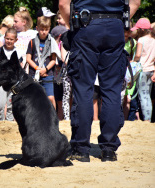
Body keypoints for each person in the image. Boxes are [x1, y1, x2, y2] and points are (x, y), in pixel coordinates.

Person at [59, 0, 141, 162]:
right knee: (111, 91)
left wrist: (75, 24)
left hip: (85, 26)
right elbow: (136, 2)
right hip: (114, 28)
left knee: (83, 91)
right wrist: (116, 19)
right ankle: (109, 149)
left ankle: (81, 148)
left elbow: (63, 4)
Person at [26, 16, 61, 108]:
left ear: (49, 29)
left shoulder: (51, 42)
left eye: (46, 29)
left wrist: (45, 69)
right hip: (34, 73)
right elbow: (28, 58)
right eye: (42, 29)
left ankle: (53, 116)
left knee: (50, 97)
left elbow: (53, 60)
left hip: (48, 74)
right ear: (37, 28)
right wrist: (38, 69)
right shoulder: (32, 42)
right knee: (34, 97)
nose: (44, 32)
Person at [0, 28, 21, 121]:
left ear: (16, 40)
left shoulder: (17, 52)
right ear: (4, 38)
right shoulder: (0, 50)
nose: (9, 41)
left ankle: (9, 123)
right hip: (1, 82)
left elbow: (20, 67)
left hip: (13, 83)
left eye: (11, 39)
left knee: (11, 106)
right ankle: (0, 122)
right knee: (0, 104)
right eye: (7, 39)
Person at [0, 7, 37, 73]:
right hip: (14, 61)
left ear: (24, 22)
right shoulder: (12, 33)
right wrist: (5, 50)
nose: (13, 23)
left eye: (16, 21)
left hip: (28, 62)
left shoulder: (33, 33)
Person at [131, 18, 155, 122]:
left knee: (143, 96)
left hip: (143, 70)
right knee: (147, 95)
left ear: (142, 30)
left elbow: (138, 55)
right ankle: (148, 118)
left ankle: (147, 120)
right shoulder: (154, 40)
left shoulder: (141, 40)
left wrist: (132, 61)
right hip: (151, 70)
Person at [51, 25, 69, 120]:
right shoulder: (54, 46)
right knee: (58, 100)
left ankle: (62, 119)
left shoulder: (63, 44)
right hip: (56, 78)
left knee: (62, 100)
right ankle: (58, 119)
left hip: (63, 77)